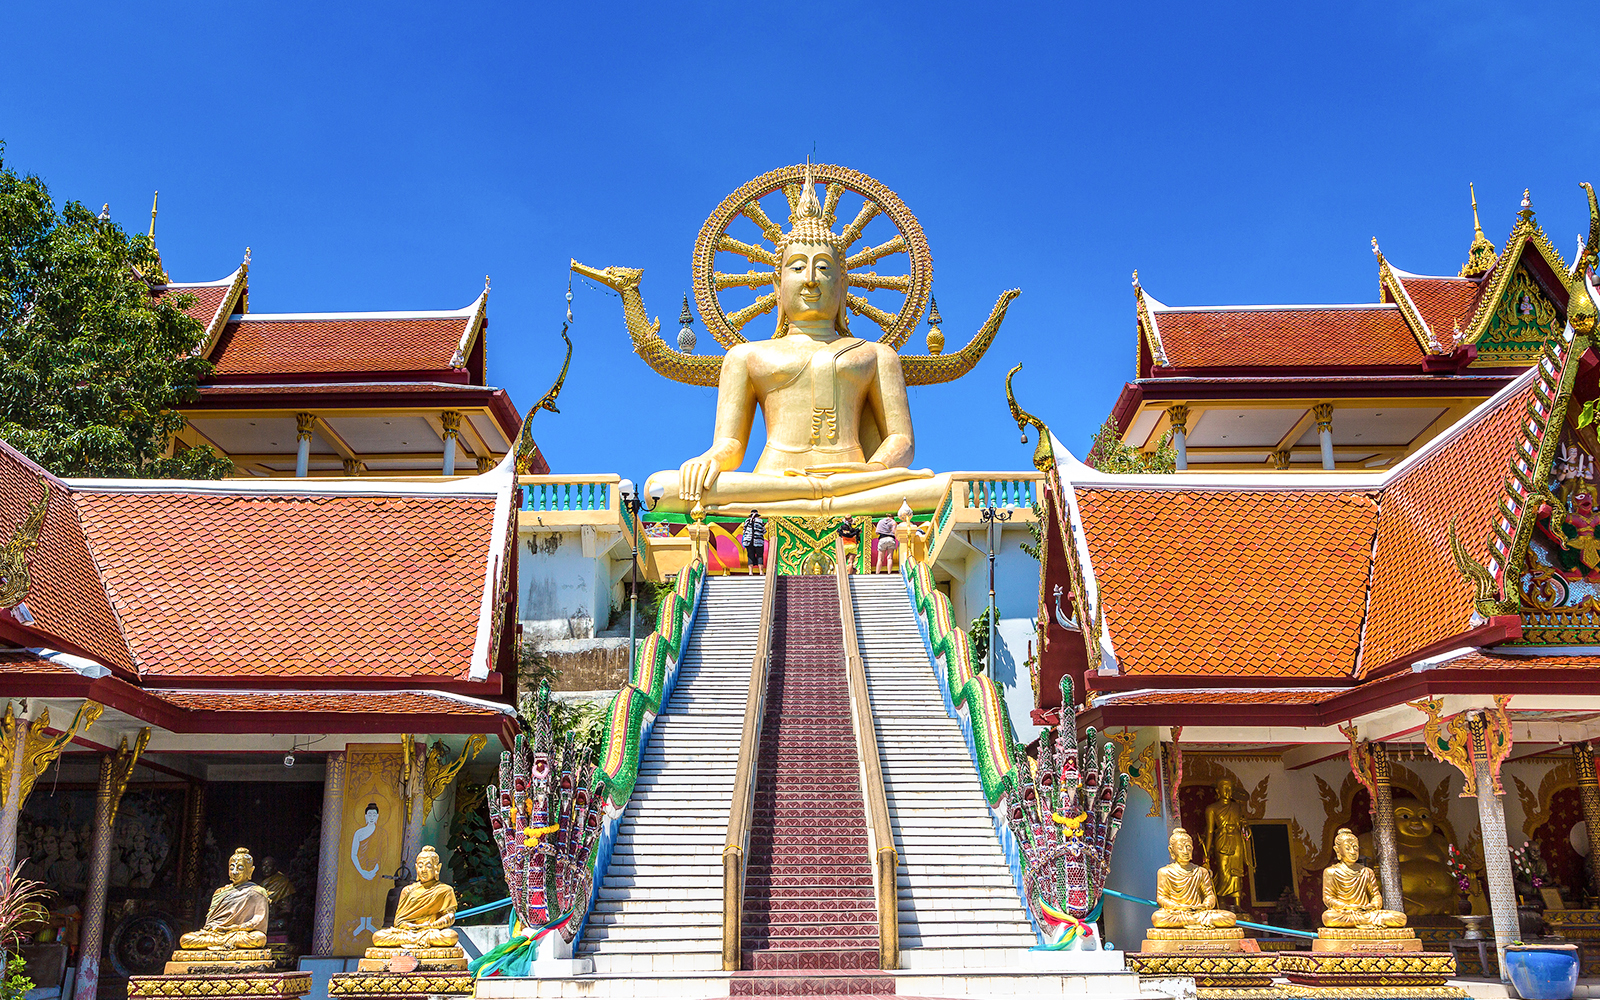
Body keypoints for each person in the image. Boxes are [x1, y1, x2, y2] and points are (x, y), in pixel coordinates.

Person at [741, 510, 766, 574]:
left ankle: (750, 572)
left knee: (750, 556)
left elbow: (744, 531)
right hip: (758, 541)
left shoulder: (747, 521)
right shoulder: (760, 521)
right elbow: (764, 531)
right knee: (759, 556)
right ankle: (761, 571)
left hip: (749, 541)